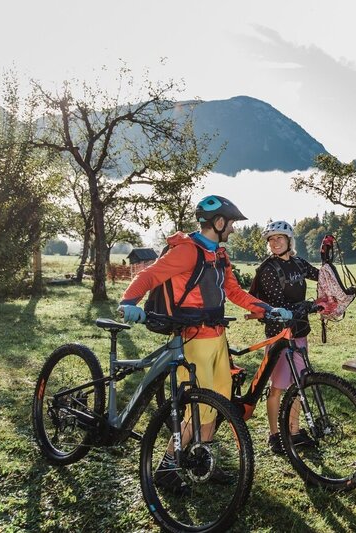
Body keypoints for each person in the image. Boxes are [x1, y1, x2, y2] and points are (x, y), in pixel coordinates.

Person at [116, 195, 291, 488]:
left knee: (219, 402)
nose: (234, 229)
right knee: (198, 406)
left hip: (217, 338)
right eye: (231, 223)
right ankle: (166, 467)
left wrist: (267, 308)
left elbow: (235, 293)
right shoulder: (188, 251)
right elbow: (150, 276)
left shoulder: (220, 256)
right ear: (218, 223)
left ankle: (202, 460)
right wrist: (128, 302)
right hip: (192, 338)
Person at [249, 220, 320, 455]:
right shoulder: (268, 269)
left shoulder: (299, 263)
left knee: (299, 384)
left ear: (289, 240)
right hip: (278, 336)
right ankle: (274, 435)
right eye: (271, 239)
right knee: (277, 387)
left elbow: (321, 276)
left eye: (279, 238)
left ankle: (294, 431)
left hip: (299, 332)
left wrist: (333, 285)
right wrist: (311, 305)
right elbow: (278, 303)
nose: (275, 242)